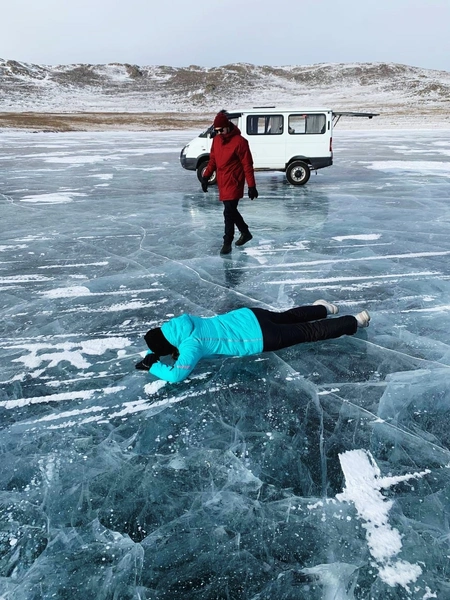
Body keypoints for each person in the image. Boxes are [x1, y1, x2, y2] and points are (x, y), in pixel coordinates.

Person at [135, 300, 370, 384]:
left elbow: (177, 375)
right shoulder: (180, 324)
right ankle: (324, 307)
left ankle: (354, 321)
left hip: (258, 338)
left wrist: (152, 365)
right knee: (288, 316)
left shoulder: (191, 346)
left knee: (308, 332)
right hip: (250, 316)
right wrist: (151, 351)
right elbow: (160, 339)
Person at [201, 111, 258, 255]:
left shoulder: (240, 142)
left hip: (234, 181)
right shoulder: (217, 140)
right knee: (231, 211)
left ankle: (227, 242)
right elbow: (213, 160)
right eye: (216, 130)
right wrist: (206, 176)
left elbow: (247, 165)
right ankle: (245, 232)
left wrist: (252, 186)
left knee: (228, 212)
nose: (219, 133)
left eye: (221, 130)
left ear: (227, 126)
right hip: (223, 180)